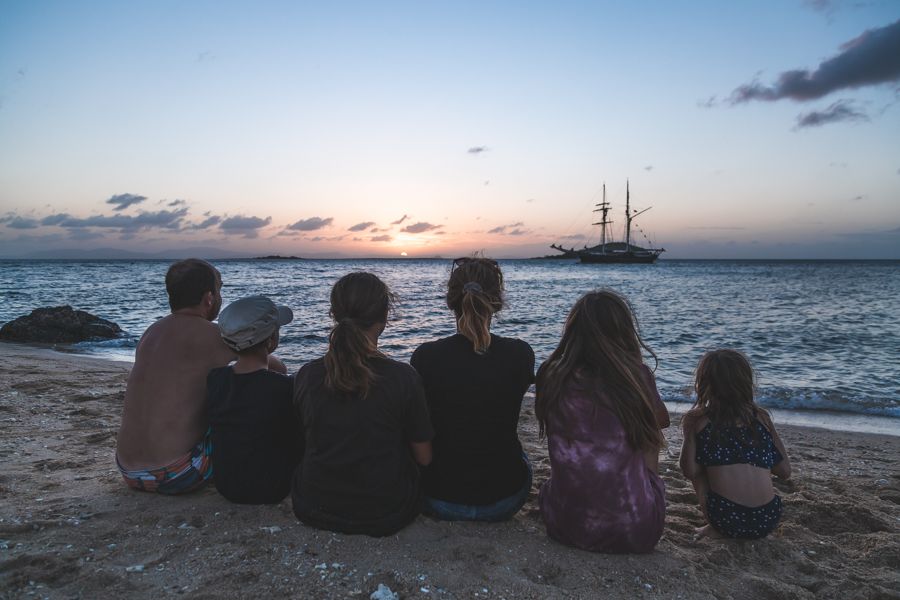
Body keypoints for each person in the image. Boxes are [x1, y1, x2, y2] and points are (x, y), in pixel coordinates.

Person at [292, 272, 434, 536]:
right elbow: (424, 458)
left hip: (313, 506)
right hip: (387, 512)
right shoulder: (403, 377)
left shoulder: (306, 375)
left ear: (334, 314)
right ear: (384, 317)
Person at [535, 289, 670, 553]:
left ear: (573, 332)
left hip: (564, 526)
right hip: (635, 531)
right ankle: (642, 490)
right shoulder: (636, 377)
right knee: (650, 434)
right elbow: (662, 421)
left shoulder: (551, 375)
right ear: (624, 333)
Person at [411, 257, 534, 521]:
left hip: (439, 498)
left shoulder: (425, 357)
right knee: (519, 455)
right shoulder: (521, 354)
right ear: (497, 302)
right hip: (505, 499)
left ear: (450, 301)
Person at [116, 259, 233, 494]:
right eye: (220, 289)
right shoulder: (215, 335)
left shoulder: (151, 332)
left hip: (128, 470)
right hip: (177, 472)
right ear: (209, 298)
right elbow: (268, 366)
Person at [679, 349, 791, 540]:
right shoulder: (761, 417)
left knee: (701, 470)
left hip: (727, 520)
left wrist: (689, 431)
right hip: (768, 519)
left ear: (705, 384)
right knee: (752, 461)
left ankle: (714, 527)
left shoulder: (699, 420)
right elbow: (784, 471)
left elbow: (690, 471)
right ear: (747, 382)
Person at [206, 295, 302, 504]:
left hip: (227, 485)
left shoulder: (215, 380)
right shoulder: (285, 387)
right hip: (274, 487)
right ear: (270, 340)